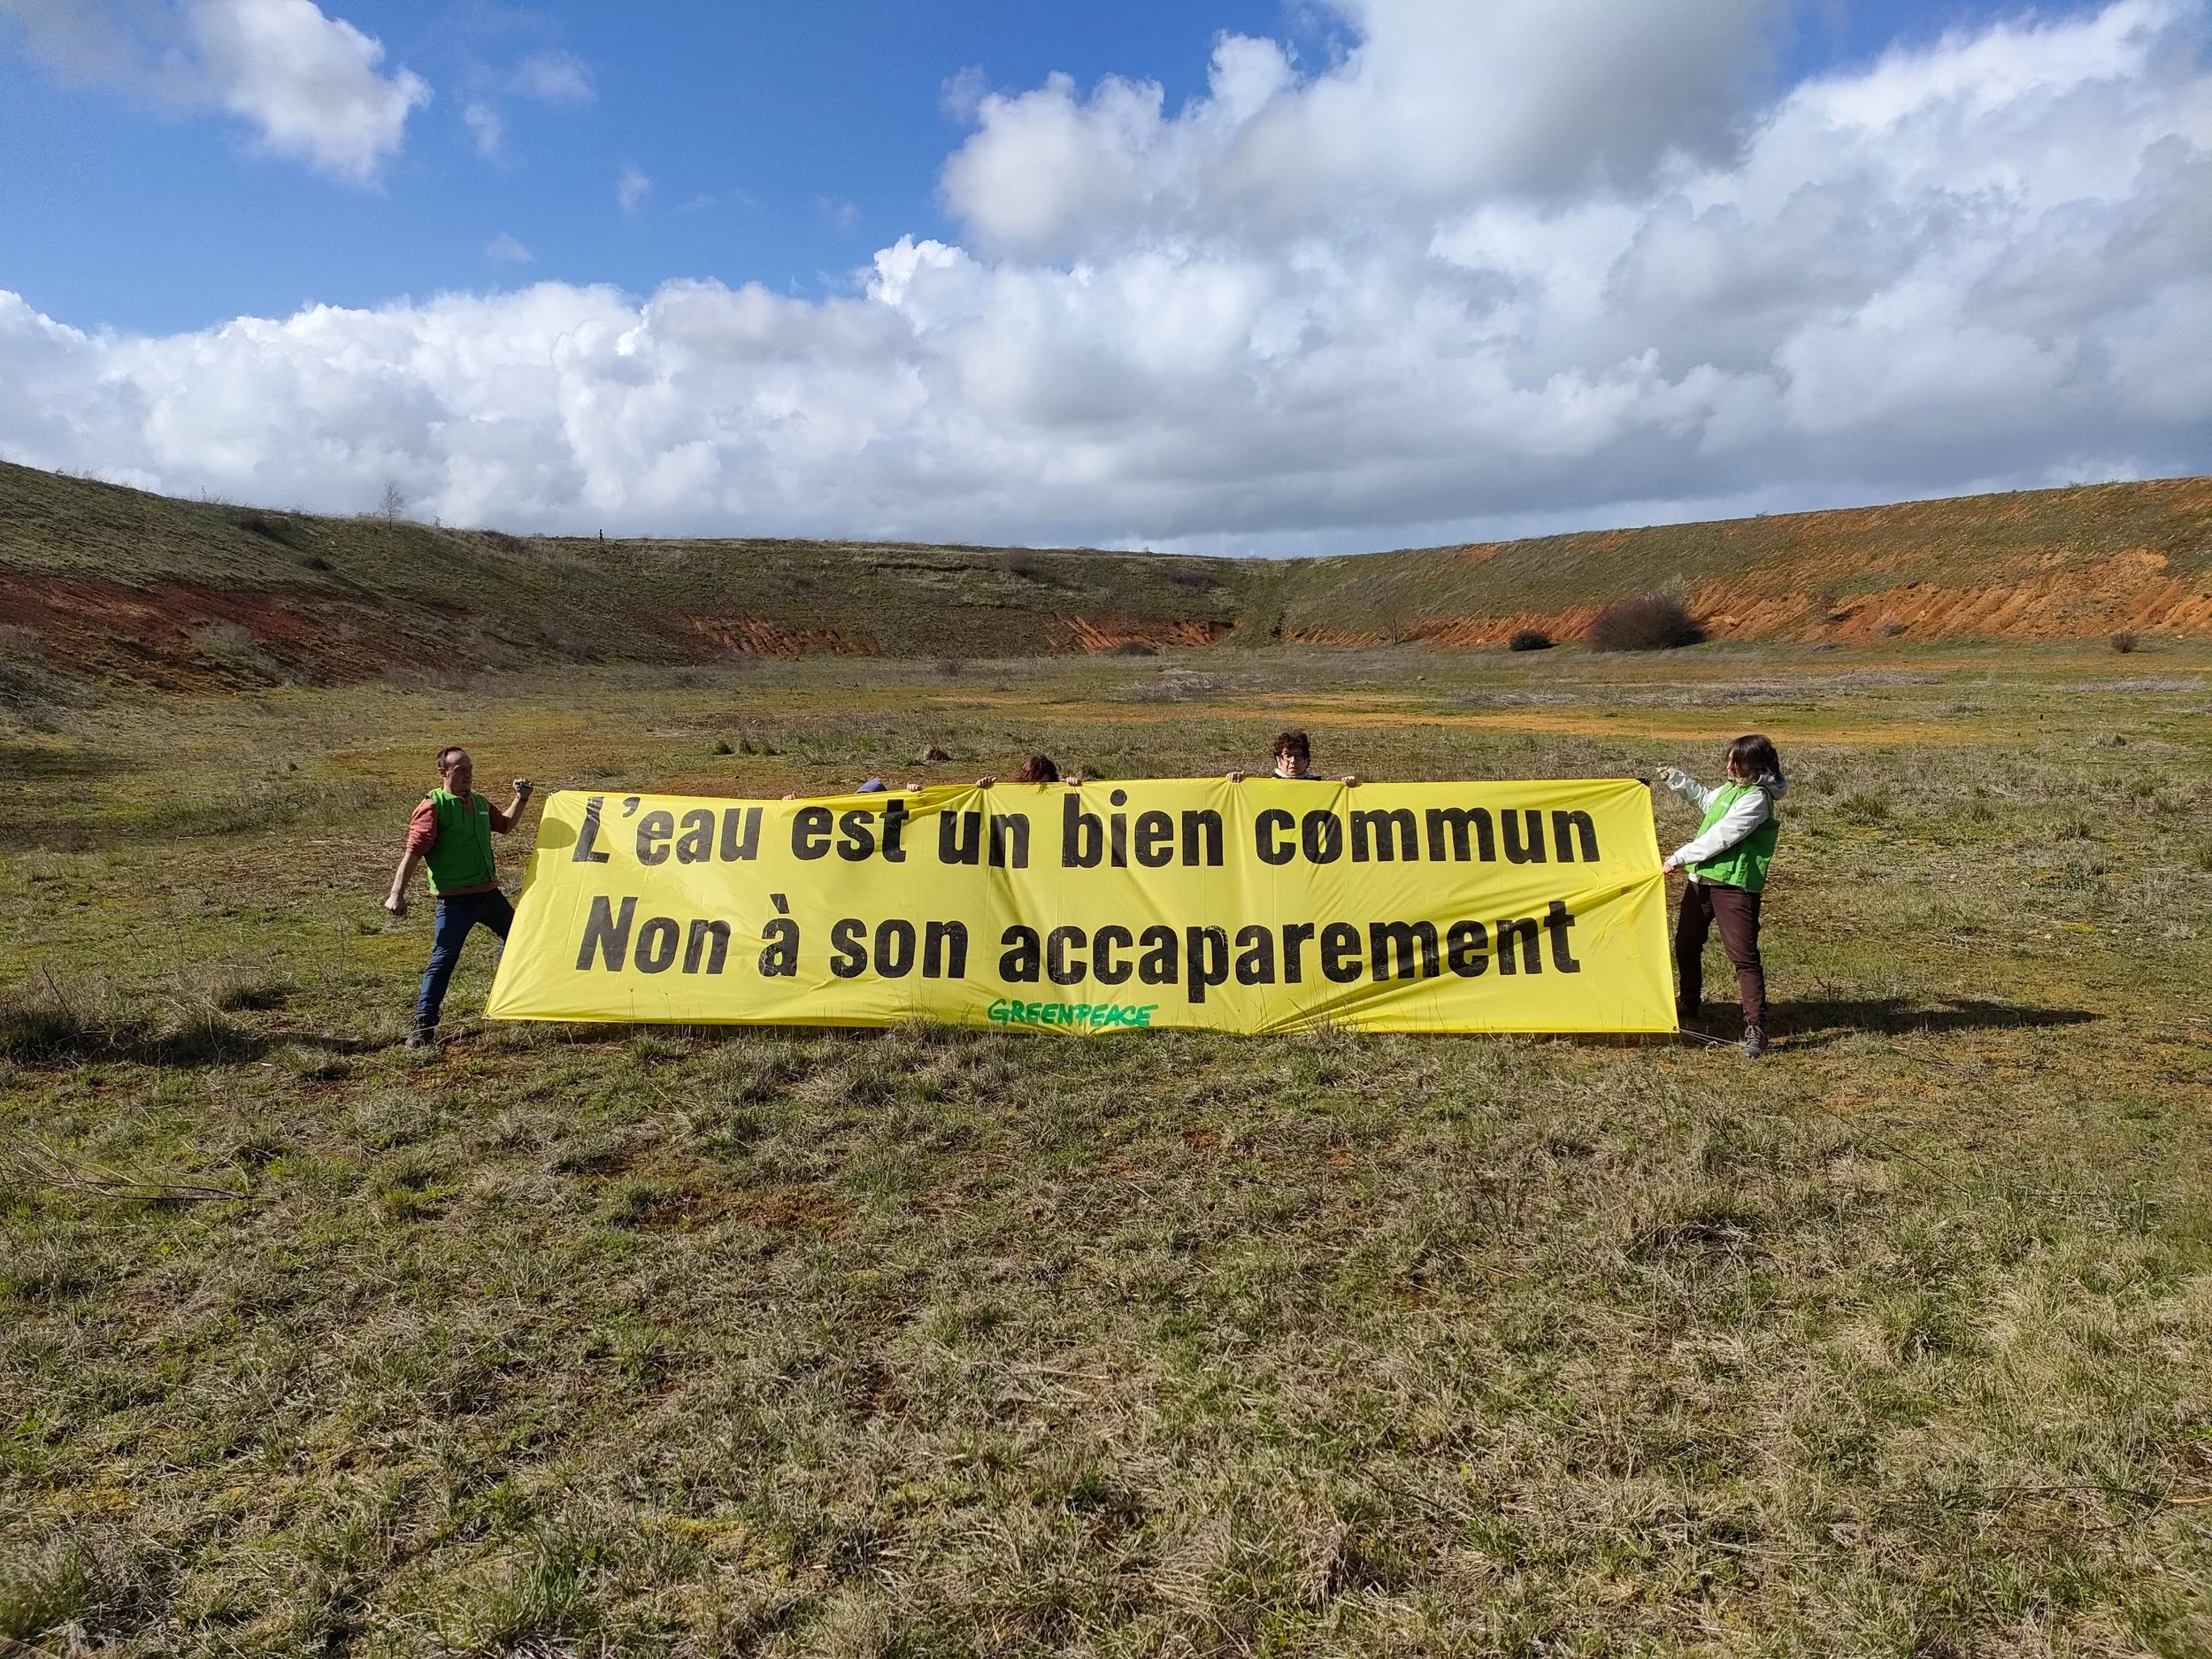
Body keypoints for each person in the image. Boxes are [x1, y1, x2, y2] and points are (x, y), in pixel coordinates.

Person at [385, 747, 533, 1047]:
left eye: (470, 768)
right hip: (454, 902)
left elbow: (505, 826)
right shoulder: (433, 807)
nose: (467, 774)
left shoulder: (478, 802)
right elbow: (413, 852)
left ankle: (513, 995)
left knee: (521, 940)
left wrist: (522, 798)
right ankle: (423, 1024)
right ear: (443, 772)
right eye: (460, 769)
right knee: (444, 960)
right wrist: (396, 894)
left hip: (489, 895)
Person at [1659, 734, 1787, 1058]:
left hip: (1734, 886)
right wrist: (1679, 781)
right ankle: (1689, 1002)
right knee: (1686, 944)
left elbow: (1723, 836)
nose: (1729, 766)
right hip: (1700, 881)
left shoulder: (1757, 798)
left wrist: (1676, 858)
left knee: (1743, 957)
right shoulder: (1732, 789)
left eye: (1736, 762)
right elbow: (1708, 801)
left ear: (1754, 766)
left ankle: (1755, 1027)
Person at [1226, 729, 1356, 786]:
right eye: (1288, 756)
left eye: (1298, 756)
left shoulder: (1319, 785)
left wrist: (1349, 785)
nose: (1293, 761)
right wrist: (1234, 780)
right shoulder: (1266, 786)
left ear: (1307, 761)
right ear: (1278, 760)